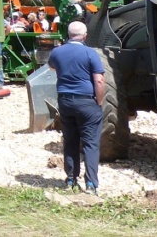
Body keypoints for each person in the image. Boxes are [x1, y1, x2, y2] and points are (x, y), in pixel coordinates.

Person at [46, 20, 105, 195]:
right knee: (90, 144)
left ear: (68, 35)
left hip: (65, 101)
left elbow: (51, 67)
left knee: (70, 141)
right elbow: (99, 80)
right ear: (85, 36)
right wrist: (99, 101)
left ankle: (71, 179)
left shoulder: (57, 52)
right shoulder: (90, 53)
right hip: (87, 102)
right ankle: (91, 184)